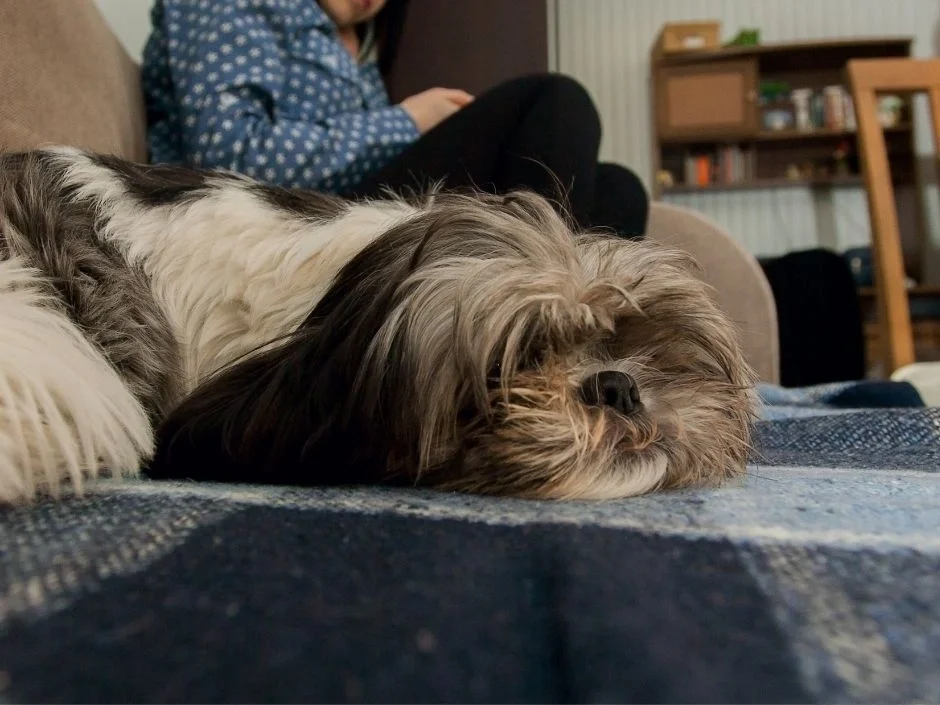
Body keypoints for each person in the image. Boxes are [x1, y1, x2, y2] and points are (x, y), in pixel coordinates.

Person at [141, 0, 648, 238]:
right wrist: (406, 121)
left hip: (345, 213)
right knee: (553, 99)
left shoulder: (355, 44)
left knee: (619, 190)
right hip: (279, 224)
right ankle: (553, 332)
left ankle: (550, 339)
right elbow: (230, 155)